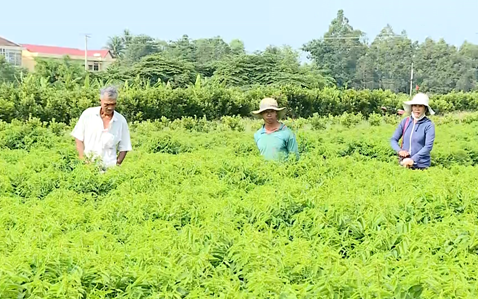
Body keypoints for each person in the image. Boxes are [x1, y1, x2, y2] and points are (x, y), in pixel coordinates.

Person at [71, 86, 132, 169]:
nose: (110, 108)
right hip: (88, 166)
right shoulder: (88, 115)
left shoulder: (120, 120)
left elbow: (125, 146)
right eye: (107, 104)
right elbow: (78, 138)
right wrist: (83, 159)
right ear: (101, 101)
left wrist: (117, 164)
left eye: (113, 104)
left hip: (110, 168)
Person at [390, 92, 436, 170]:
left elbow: (428, 146)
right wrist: (399, 151)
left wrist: (413, 159)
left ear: (425, 108)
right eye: (415, 105)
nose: (417, 109)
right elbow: (393, 139)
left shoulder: (428, 125)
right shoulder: (405, 121)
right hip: (404, 163)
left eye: (420, 106)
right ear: (411, 107)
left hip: (421, 166)